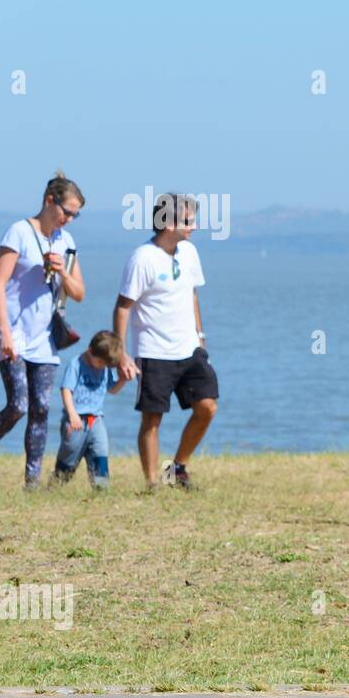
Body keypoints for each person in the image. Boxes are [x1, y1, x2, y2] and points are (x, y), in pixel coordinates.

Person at [0, 171, 87, 488]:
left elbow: (78, 293)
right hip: (12, 333)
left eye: (75, 215)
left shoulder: (66, 242)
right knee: (18, 406)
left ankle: (32, 481)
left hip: (44, 336)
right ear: (50, 201)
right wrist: (6, 333)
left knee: (41, 408)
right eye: (67, 211)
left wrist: (63, 271)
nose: (69, 219)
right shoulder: (19, 233)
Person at [112, 194, 217, 490]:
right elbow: (122, 307)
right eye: (188, 220)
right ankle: (153, 483)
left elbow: (192, 294)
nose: (194, 226)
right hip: (153, 352)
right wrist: (121, 355)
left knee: (207, 407)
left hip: (190, 349)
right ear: (168, 223)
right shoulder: (142, 258)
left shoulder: (190, 253)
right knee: (152, 419)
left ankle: (177, 469)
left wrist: (200, 336)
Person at [52, 331, 129, 488]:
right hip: (75, 421)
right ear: (90, 350)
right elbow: (66, 390)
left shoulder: (105, 367)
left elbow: (112, 389)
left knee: (100, 452)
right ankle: (56, 485)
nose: (102, 366)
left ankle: (101, 487)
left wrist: (123, 380)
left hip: (96, 419)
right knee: (69, 457)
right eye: (100, 362)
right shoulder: (76, 364)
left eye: (105, 364)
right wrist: (72, 414)